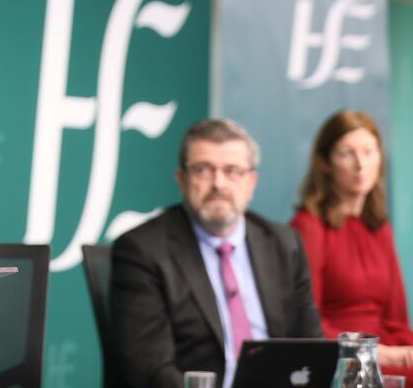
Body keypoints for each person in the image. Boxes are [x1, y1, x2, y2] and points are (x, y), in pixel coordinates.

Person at [110, 118, 322, 388]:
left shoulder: (284, 244)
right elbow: (151, 371)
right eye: (203, 170)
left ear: (251, 182)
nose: (219, 184)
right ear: (182, 180)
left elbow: (311, 347)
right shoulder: (143, 250)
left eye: (232, 171)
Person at [291, 110, 413, 381]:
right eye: (347, 153)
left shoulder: (379, 228)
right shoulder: (309, 226)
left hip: (387, 359)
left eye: (369, 152)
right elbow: (307, 324)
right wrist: (377, 354)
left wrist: (405, 354)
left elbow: (397, 320)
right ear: (325, 162)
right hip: (338, 362)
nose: (361, 164)